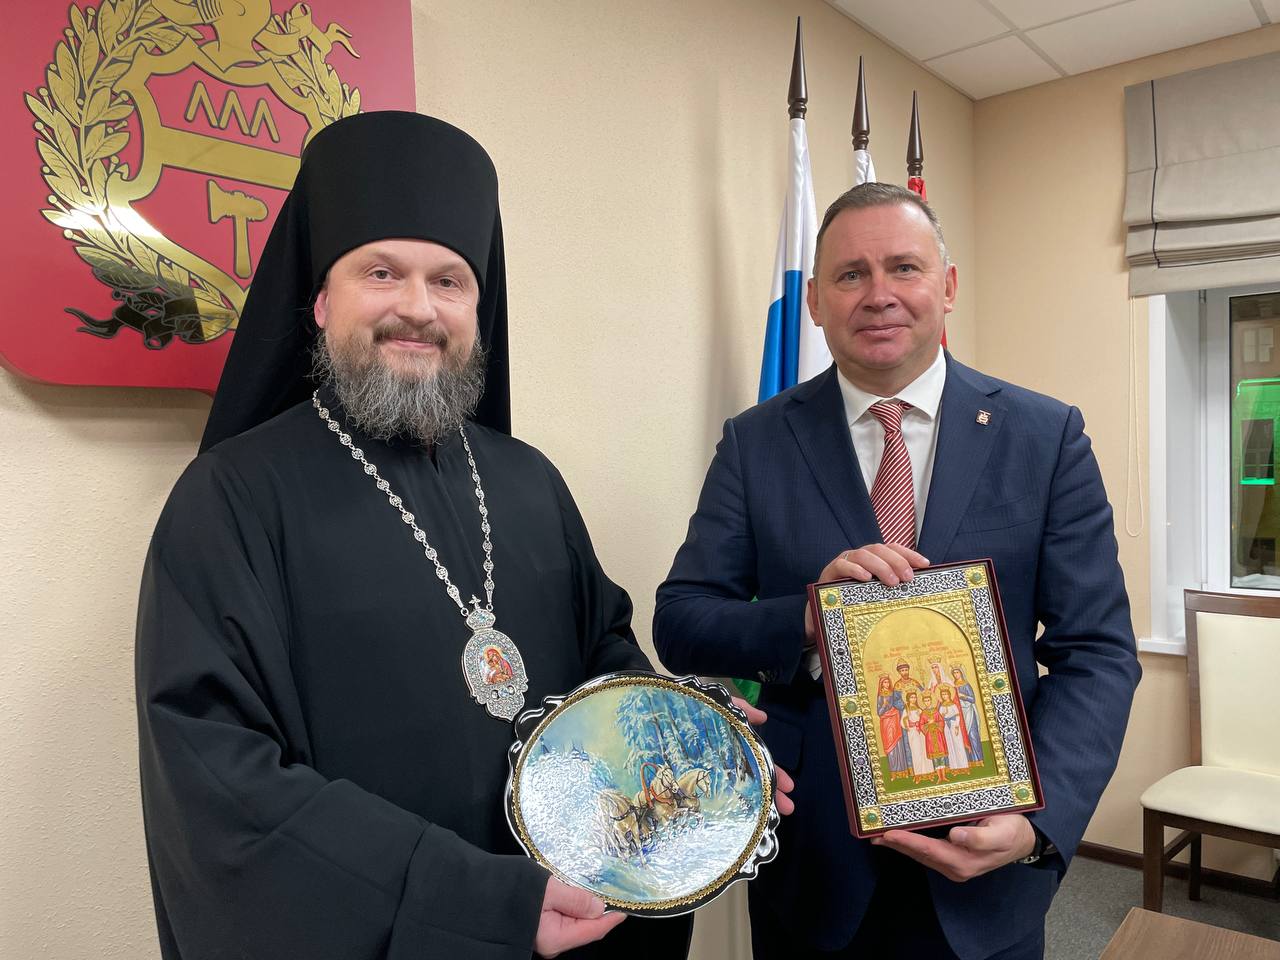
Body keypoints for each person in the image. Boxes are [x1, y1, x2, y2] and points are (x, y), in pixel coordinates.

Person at [135, 111, 694, 960]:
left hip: (582, 927)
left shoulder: (531, 482)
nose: (418, 310)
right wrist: (479, 905)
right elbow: (220, 779)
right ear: (321, 300)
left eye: (449, 281)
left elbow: (604, 657)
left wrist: (687, 737)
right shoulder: (230, 500)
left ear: (478, 307)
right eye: (381, 273)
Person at [654, 182, 1140, 958]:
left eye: (904, 268)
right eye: (851, 274)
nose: (878, 294)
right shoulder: (756, 443)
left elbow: (1098, 652)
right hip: (812, 861)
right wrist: (806, 616)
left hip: (989, 862)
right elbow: (682, 620)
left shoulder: (1045, 438)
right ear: (815, 302)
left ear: (947, 287)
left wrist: (1039, 819)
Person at [952, 665, 984, 764]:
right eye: (954, 673)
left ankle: (978, 759)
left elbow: (972, 699)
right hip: (960, 713)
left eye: (957, 672)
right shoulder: (953, 685)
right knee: (964, 736)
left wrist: (963, 696)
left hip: (969, 712)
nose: (956, 674)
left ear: (961, 673)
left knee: (973, 735)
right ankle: (970, 761)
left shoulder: (966, 685)